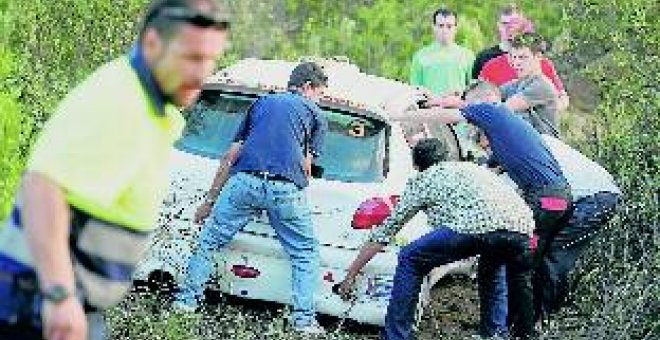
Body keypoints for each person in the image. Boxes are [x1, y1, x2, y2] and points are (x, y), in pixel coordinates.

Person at [0, 1, 230, 339]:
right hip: (36, 307)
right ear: (152, 43)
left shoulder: (147, 103)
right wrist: (59, 296)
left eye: (211, 60)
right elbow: (42, 188)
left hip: (64, 304)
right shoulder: (121, 102)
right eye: (192, 58)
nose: (202, 74)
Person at [173, 62, 329, 335]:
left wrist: (209, 201)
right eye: (320, 93)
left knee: (209, 241)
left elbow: (230, 156)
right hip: (285, 188)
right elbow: (306, 168)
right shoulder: (315, 114)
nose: (320, 99)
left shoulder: (261, 103)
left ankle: (186, 304)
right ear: (308, 88)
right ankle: (303, 322)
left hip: (244, 182)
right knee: (304, 252)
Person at [336, 138, 536, 340]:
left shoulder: (424, 180)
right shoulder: (472, 169)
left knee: (410, 257)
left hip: (477, 227)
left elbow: (385, 231)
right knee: (493, 268)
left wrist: (351, 273)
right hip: (521, 227)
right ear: (445, 157)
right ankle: (495, 334)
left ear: (416, 165)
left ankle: (396, 335)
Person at [535, 135, 622, 318]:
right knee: (552, 250)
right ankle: (549, 310)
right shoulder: (535, 139)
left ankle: (540, 318)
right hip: (598, 193)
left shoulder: (521, 154)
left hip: (593, 199)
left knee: (555, 253)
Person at [473, 4, 569, 111]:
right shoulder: (489, 62)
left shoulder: (542, 68)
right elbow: (478, 95)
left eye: (515, 24)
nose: (517, 63)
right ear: (498, 25)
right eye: (506, 24)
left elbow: (561, 97)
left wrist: (551, 107)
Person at [409, 7, 475, 142]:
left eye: (449, 26)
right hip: (431, 118)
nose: (445, 30)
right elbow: (415, 91)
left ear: (456, 28)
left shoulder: (467, 56)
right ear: (433, 27)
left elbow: (472, 90)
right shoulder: (420, 56)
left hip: (459, 119)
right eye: (440, 26)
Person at [502, 32, 561, 136]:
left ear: (538, 56)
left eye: (522, 57)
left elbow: (502, 109)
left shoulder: (542, 85)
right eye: (514, 57)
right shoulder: (516, 84)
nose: (516, 63)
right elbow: (492, 92)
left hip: (544, 147)